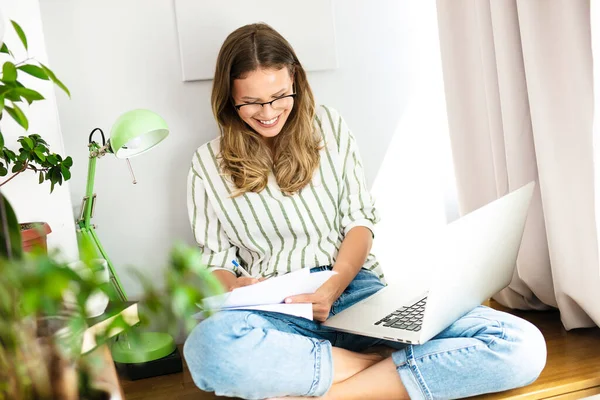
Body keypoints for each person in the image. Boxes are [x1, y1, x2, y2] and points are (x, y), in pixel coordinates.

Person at [184, 23, 547, 400]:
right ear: (229, 97)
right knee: (206, 349)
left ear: (296, 80)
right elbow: (216, 261)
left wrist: (334, 285)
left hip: (356, 292)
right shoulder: (205, 164)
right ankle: (376, 365)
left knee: (520, 344)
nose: (269, 112)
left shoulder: (329, 127)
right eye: (251, 102)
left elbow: (359, 222)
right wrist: (235, 288)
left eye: (279, 96)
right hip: (275, 314)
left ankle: (334, 391)